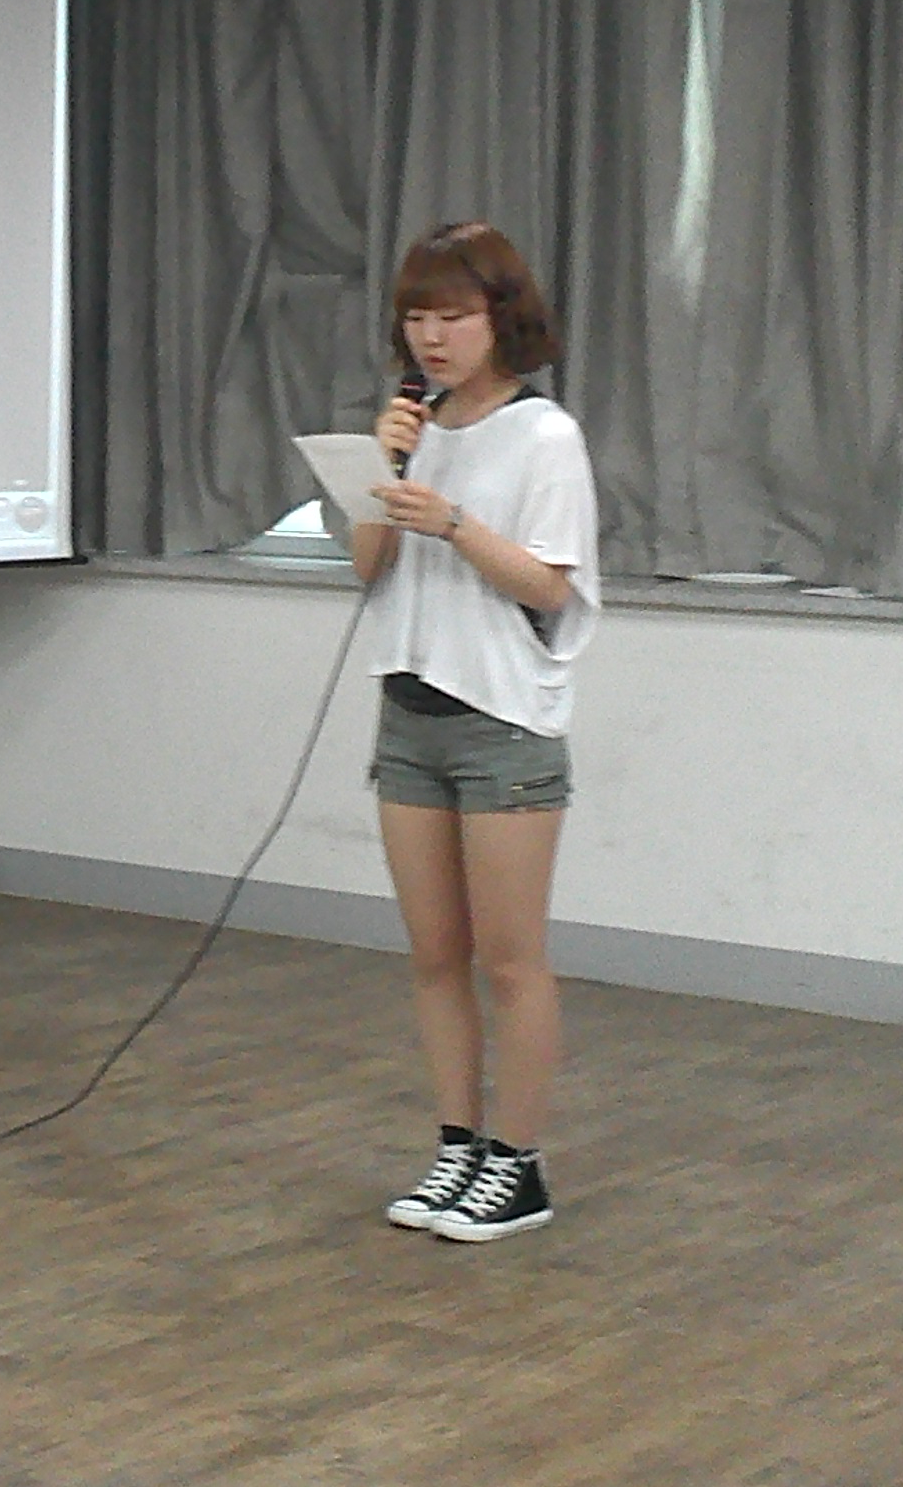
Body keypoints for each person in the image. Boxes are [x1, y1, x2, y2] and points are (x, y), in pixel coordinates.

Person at [353, 220, 599, 1243]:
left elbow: (550, 584)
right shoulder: (413, 426)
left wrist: (453, 523)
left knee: (510, 961)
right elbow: (367, 567)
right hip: (409, 715)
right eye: (417, 317)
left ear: (501, 319)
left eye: (453, 316)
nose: (432, 337)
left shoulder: (545, 436)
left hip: (501, 724)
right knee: (434, 955)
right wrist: (383, 470)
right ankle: (457, 1144)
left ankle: (519, 1163)